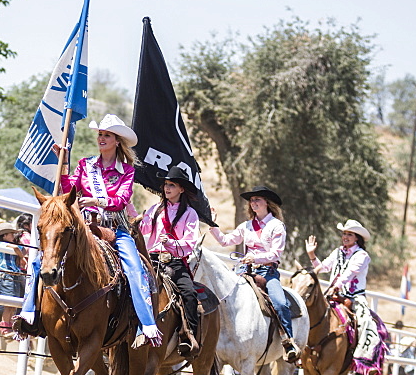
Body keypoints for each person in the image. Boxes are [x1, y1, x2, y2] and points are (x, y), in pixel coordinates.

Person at [15, 114, 160, 347]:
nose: (101, 138)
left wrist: (96, 201)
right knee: (43, 259)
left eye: (107, 135)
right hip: (86, 228)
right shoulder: (85, 165)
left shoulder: (127, 171)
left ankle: (146, 325)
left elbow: (121, 200)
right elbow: (67, 190)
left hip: (115, 228)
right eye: (100, 135)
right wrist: (63, 162)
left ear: (117, 141)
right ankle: (29, 314)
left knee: (135, 266)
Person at [209, 185, 299, 362]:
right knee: (223, 294)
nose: (253, 203)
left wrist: (254, 258)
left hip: (268, 273)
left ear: (267, 203)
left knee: (280, 303)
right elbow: (225, 241)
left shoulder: (277, 226)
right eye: (251, 200)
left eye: (257, 199)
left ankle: (288, 341)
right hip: (245, 271)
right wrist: (213, 224)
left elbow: (276, 254)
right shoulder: (246, 226)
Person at [305, 219, 386, 372]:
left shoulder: (362, 255)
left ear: (357, 238)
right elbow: (323, 268)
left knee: (365, 322)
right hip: (333, 295)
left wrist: (336, 286)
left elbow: (349, 274)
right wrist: (312, 255)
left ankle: (363, 357)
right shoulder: (338, 252)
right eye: (344, 234)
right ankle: (303, 350)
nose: (345, 237)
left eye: (349, 234)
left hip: (354, 298)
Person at [139, 165, 202, 354]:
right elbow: (143, 229)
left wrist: (172, 244)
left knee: (189, 293)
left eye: (172, 185)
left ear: (181, 189)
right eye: (166, 184)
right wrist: (135, 215)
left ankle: (189, 334)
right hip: (152, 259)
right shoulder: (156, 209)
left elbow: (190, 243)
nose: (167, 188)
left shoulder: (190, 214)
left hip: (174, 262)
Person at [0, 222, 27, 332]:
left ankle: (8, 326)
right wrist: (22, 257)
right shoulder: (1, 244)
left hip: (13, 276)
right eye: (11, 234)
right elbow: (17, 248)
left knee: (13, 305)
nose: (13, 236)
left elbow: (19, 248)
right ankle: (5, 327)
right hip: (8, 275)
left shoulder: (5, 245)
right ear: (4, 236)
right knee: (9, 304)